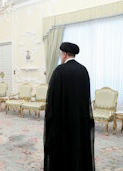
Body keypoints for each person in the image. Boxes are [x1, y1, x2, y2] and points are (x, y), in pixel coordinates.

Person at [43, 42, 95, 171]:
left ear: (65, 54)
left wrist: (50, 119)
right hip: (79, 120)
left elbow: (52, 99)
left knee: (63, 148)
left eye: (61, 54)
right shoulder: (83, 70)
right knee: (78, 146)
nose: (61, 56)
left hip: (62, 121)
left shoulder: (59, 71)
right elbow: (86, 98)